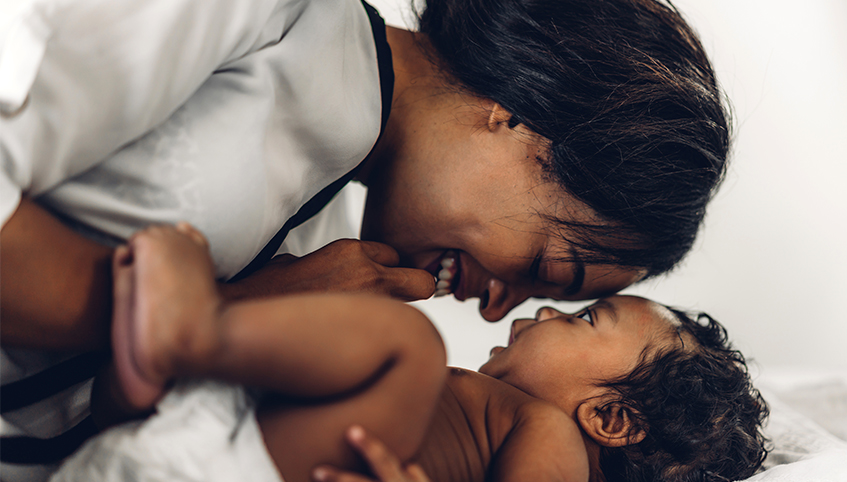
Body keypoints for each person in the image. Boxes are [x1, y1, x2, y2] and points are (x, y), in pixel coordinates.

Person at [0, 0, 730, 475]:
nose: (499, 310)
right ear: (518, 119)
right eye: (546, 265)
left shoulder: (322, 243)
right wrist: (222, 311)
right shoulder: (269, 17)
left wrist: (251, 310)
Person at [51, 223, 768, 482]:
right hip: (204, 443)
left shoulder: (547, 438)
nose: (546, 309)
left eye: (583, 320)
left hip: (245, 466)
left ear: (609, 420)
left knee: (408, 344)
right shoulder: (498, 415)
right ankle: (152, 368)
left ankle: (187, 332)